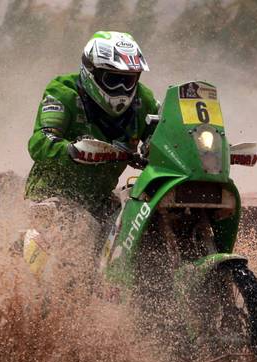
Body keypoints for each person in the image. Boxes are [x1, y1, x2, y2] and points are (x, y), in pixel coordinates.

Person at [23, 31, 159, 279]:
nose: (122, 88)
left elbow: (162, 138)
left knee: (144, 222)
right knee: (82, 228)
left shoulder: (144, 101)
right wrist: (70, 150)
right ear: (91, 71)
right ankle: (58, 291)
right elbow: (40, 142)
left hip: (100, 200)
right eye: (113, 78)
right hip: (52, 195)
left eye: (128, 80)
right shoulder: (63, 93)